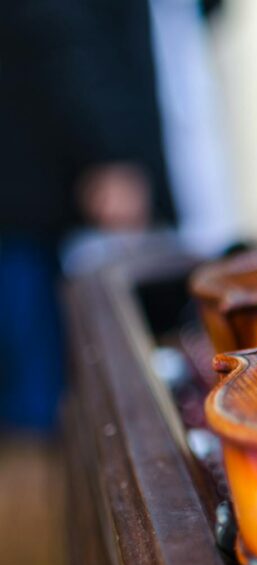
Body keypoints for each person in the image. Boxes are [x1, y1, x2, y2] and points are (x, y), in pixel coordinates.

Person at [0, 0, 174, 432]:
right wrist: (107, 150)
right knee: (38, 397)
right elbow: (58, 26)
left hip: (40, 183)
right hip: (37, 188)